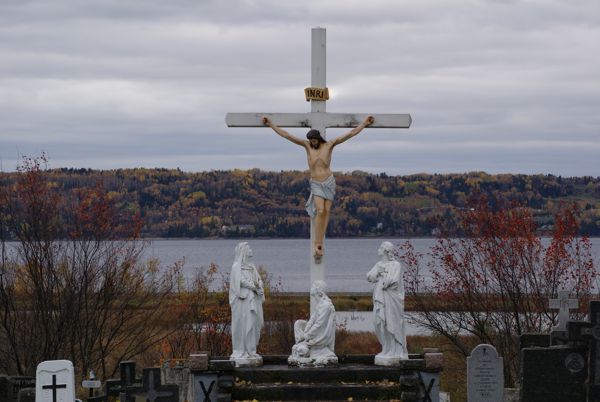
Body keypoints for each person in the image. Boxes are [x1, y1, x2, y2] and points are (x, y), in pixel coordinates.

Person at [263, 115, 374, 262]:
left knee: (326, 211)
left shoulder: (329, 145)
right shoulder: (307, 146)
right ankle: (317, 241)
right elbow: (287, 135)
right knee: (320, 210)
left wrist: (365, 123)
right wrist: (271, 124)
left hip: (328, 182)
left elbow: (350, 134)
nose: (312, 143)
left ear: (318, 138)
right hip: (316, 183)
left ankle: (320, 242)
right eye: (311, 141)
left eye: (314, 140)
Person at [366, 241, 407, 364]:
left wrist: (383, 275)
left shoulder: (396, 265)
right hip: (380, 297)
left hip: (391, 299)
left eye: (380, 248)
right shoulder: (378, 264)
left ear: (385, 251)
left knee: (392, 323)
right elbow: (369, 277)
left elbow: (394, 281)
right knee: (379, 322)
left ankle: (395, 350)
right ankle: (386, 348)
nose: (378, 249)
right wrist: (378, 271)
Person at [229, 242, 265, 366]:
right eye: (248, 248)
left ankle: (251, 350)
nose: (250, 249)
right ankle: (241, 350)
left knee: (254, 324)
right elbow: (239, 282)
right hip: (242, 302)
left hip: (252, 300)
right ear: (243, 251)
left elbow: (258, 279)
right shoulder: (236, 266)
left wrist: (259, 285)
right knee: (244, 325)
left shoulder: (251, 266)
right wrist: (253, 287)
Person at [288, 280, 338, 367]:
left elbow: (319, 325)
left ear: (318, 290)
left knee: (299, 349)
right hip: (313, 335)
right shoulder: (319, 304)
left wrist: (306, 336)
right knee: (298, 323)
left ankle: (306, 349)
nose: (311, 288)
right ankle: (302, 345)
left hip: (320, 337)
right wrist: (305, 333)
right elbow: (312, 320)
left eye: (313, 286)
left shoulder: (325, 305)